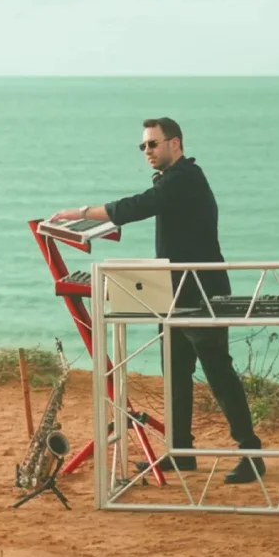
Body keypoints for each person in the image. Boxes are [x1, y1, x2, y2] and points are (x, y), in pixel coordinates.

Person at [49, 117, 265, 484]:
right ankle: (181, 452)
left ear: (175, 144)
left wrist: (83, 212)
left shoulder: (186, 178)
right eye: (143, 146)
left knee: (219, 373)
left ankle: (252, 453)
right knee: (176, 373)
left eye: (153, 144)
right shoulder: (171, 179)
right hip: (174, 292)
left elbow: (138, 207)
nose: (147, 151)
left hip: (202, 293)